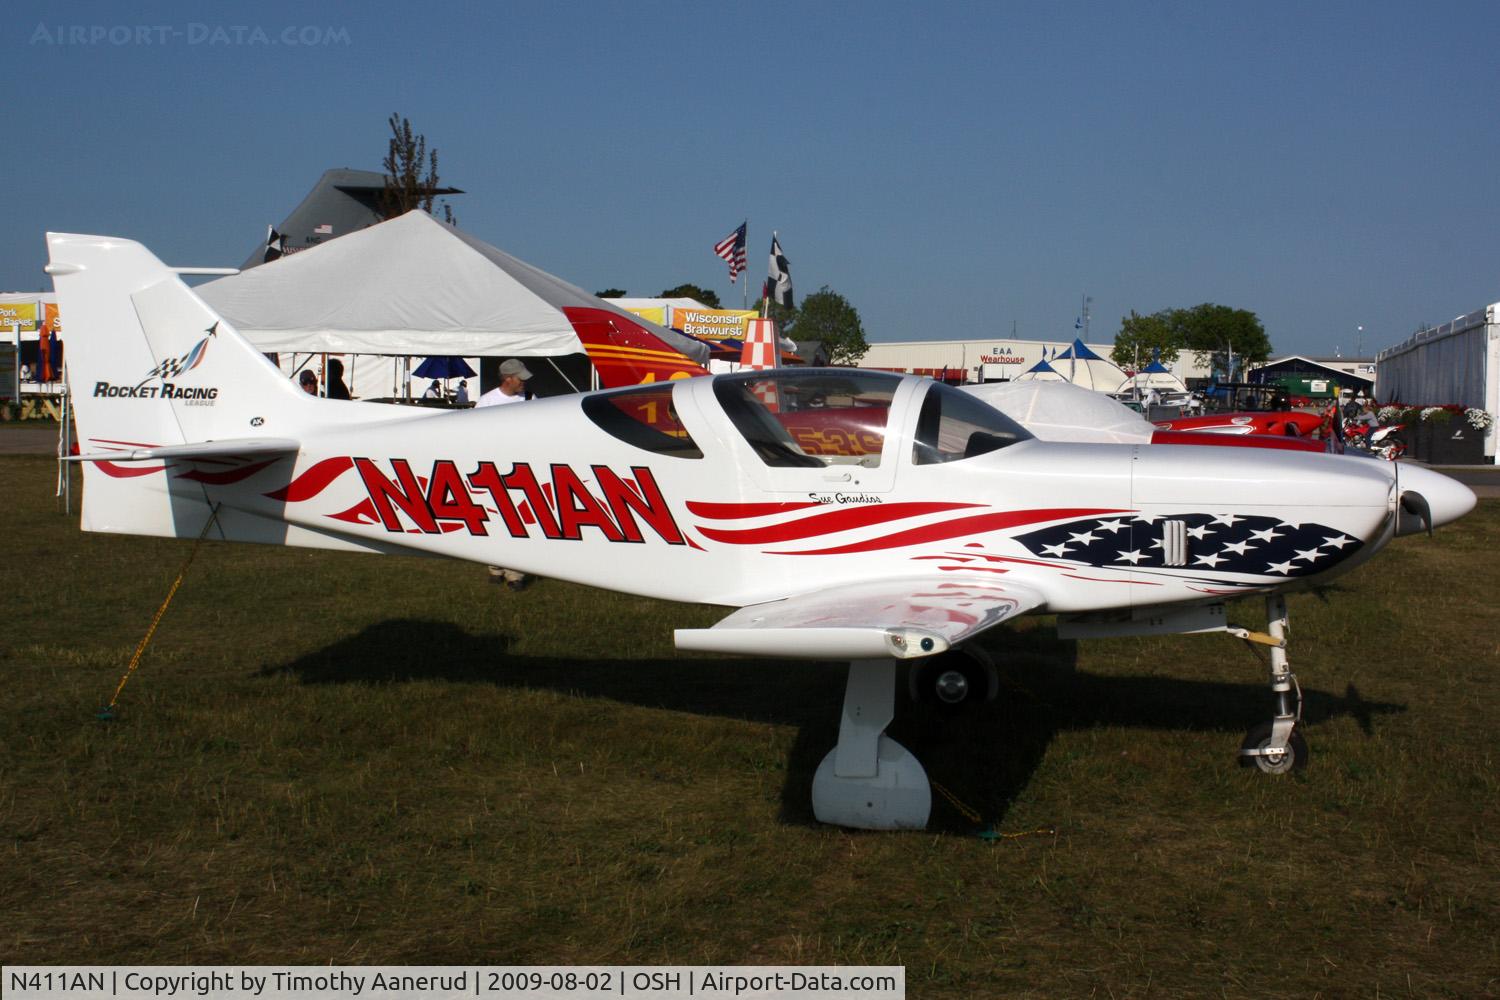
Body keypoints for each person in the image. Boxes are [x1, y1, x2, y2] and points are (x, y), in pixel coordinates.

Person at [477, 359, 534, 590]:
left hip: (520, 468)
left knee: (517, 519)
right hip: (493, 468)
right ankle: (495, 566)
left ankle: (514, 573)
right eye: (520, 378)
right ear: (508, 378)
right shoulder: (487, 402)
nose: (523, 383)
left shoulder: (530, 399)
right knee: (495, 518)